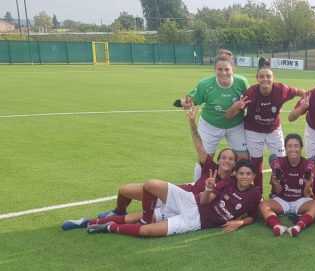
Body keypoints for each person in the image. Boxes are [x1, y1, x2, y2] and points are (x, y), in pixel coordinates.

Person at [62, 108, 236, 227]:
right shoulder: (210, 166)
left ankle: (86, 222)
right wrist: (192, 122)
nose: (226, 161)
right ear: (219, 159)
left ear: (235, 164)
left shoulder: (230, 182)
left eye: (231, 159)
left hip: (186, 203)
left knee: (134, 215)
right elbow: (199, 145)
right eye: (224, 157)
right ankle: (118, 210)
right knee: (124, 190)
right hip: (175, 192)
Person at [80, 160, 261, 237]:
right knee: (151, 185)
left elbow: (253, 215)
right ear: (236, 174)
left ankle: (109, 227)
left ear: (253, 176)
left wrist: (240, 223)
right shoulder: (227, 182)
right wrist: (208, 189)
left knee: (146, 231)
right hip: (191, 202)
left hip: (196, 221)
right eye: (242, 173)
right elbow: (205, 200)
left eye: (248, 174)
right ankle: (88, 221)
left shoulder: (255, 193)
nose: (244, 176)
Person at [228, 57, 305, 189]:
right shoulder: (251, 93)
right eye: (262, 76)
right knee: (256, 163)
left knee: (280, 162)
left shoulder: (281, 90)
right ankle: (258, 192)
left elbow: (300, 92)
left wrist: (303, 103)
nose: (265, 79)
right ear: (257, 78)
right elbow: (230, 115)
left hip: (273, 130)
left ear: (273, 78)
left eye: (268, 76)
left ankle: (277, 190)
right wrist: (237, 106)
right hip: (253, 131)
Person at [182, 54, 250, 179]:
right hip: (210, 125)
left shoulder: (242, 82)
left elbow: (249, 102)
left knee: (244, 158)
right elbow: (191, 100)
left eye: (227, 69)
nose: (223, 73)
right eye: (219, 69)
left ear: (233, 69)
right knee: (205, 159)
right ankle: (197, 188)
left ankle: (241, 191)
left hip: (235, 125)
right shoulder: (205, 84)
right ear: (215, 70)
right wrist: (184, 103)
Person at [260, 134, 315, 237]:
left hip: (300, 200)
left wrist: (308, 185)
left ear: (301, 148)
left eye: (296, 146)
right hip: (283, 199)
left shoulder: (307, 165)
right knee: (263, 205)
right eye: (290, 146)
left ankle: (298, 226)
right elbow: (277, 192)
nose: (293, 149)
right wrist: (275, 183)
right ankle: (277, 226)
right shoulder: (278, 163)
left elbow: (306, 194)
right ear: (285, 148)